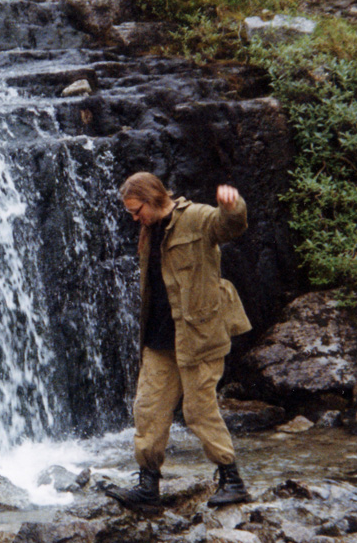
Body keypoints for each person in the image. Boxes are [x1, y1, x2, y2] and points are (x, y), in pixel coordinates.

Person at [104, 173, 252, 510]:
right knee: (148, 409)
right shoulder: (150, 229)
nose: (134, 218)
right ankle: (148, 487)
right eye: (130, 213)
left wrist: (232, 205)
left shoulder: (197, 218)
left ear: (153, 198)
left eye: (136, 210)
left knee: (199, 411)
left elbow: (229, 226)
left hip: (198, 337)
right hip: (159, 339)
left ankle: (233, 480)